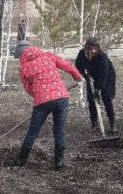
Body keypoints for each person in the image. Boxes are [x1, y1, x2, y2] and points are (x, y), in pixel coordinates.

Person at [14, 40, 83, 170]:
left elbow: (28, 88)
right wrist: (78, 77)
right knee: (59, 131)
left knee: (33, 132)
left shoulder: (24, 67)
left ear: (21, 55)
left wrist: (39, 95)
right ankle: (59, 163)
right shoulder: (48, 56)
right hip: (62, 97)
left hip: (42, 100)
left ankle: (21, 160)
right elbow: (67, 66)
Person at [74, 37, 117, 133]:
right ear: (86, 48)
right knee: (91, 100)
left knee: (106, 98)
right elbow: (78, 66)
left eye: (95, 49)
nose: (93, 52)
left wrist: (97, 89)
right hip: (91, 78)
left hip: (107, 77)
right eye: (91, 49)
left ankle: (112, 124)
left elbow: (103, 74)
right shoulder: (81, 54)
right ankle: (94, 123)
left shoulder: (102, 57)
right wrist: (86, 76)